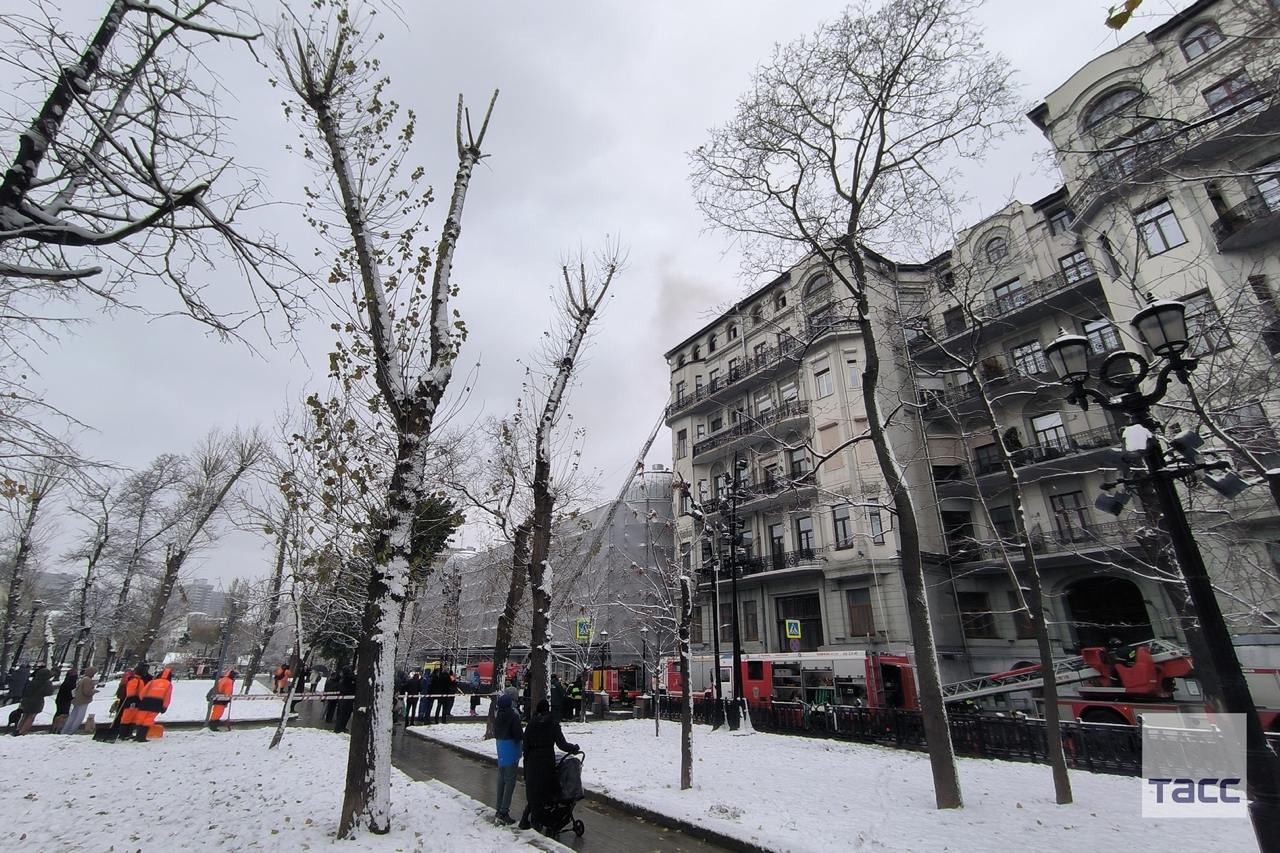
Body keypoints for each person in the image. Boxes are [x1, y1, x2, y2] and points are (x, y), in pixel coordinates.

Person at [518, 699, 580, 831]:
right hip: (546, 761)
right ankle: (540, 821)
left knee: (533, 792)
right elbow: (562, 744)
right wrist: (574, 748)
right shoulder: (553, 723)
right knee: (545, 791)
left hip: (532, 761)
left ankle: (526, 820)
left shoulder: (531, 724)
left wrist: (526, 763)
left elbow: (525, 746)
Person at [492, 690, 523, 824]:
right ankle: (504, 811)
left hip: (501, 749)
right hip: (511, 750)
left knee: (501, 779)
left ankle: (498, 807)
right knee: (510, 781)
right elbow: (518, 735)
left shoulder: (498, 715)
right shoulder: (513, 716)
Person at [132, 667, 174, 740]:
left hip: (146, 701)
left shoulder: (152, 682)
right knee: (148, 719)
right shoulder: (168, 684)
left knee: (140, 718)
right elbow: (167, 697)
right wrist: (164, 707)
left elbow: (142, 693)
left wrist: (143, 699)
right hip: (157, 703)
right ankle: (142, 737)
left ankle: (137, 736)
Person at [14, 663, 55, 735]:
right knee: (31, 717)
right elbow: (49, 692)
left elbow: (25, 691)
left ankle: (18, 729)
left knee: (24, 715)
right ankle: (22, 732)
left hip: (27, 701)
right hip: (37, 702)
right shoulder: (46, 683)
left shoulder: (32, 681)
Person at [113, 663, 150, 740]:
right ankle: (123, 734)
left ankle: (128, 733)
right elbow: (131, 692)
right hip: (132, 701)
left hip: (135, 700)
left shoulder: (138, 680)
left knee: (132, 717)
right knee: (127, 717)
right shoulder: (135, 680)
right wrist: (137, 697)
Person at [62, 666, 97, 734]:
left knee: (73, 716)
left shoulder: (83, 679)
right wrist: (93, 691)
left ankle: (65, 731)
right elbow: (86, 691)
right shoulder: (88, 680)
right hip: (83, 700)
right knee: (79, 717)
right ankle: (71, 731)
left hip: (77, 700)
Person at [53, 667, 78, 732]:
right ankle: (58, 728)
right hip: (65, 701)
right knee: (63, 715)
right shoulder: (71, 683)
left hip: (60, 699)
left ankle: (54, 727)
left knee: (58, 713)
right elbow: (70, 693)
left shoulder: (66, 681)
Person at [334, 667, 357, 734]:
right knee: (344, 714)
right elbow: (353, 679)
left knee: (343, 714)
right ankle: (339, 728)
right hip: (346, 699)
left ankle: (341, 727)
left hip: (344, 699)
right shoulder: (347, 678)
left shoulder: (343, 678)